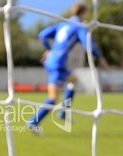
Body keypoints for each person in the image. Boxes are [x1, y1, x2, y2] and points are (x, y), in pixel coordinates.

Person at [27, 3, 108, 135]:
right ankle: (34, 122)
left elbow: (43, 35)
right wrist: (101, 57)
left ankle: (64, 112)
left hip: (56, 62)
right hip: (57, 64)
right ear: (83, 13)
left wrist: (49, 49)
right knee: (53, 97)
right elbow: (88, 45)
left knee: (73, 80)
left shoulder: (63, 23)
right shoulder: (78, 26)